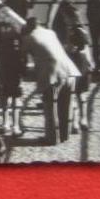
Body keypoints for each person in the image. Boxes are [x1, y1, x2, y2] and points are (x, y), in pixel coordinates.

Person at [20, 17, 81, 145]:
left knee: (51, 107)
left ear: (28, 28)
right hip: (70, 71)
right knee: (66, 105)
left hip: (52, 75)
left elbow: (21, 55)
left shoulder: (29, 37)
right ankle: (65, 135)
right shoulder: (51, 33)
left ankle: (52, 138)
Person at [49, 0, 94, 132]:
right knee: (74, 90)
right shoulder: (57, 9)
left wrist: (87, 56)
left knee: (78, 90)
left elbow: (81, 33)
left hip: (73, 54)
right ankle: (77, 121)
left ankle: (81, 119)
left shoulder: (66, 10)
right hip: (67, 53)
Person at [0, 5, 25, 136]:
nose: (4, 16)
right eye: (2, 14)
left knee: (14, 96)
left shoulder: (14, 30)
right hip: (6, 64)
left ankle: (14, 124)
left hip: (13, 64)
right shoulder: (3, 28)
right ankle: (7, 124)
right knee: (6, 95)